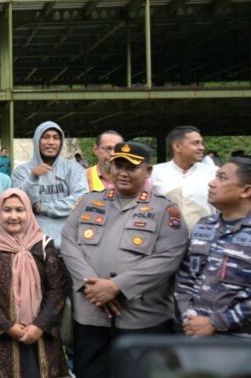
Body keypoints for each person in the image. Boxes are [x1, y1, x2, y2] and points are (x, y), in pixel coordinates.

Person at [61, 142, 189, 378]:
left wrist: (116, 287)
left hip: (142, 320)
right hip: (91, 315)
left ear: (148, 171)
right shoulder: (88, 202)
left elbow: (169, 257)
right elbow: (69, 242)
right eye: (118, 165)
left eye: (131, 167)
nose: (122, 172)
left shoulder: (165, 210)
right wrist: (92, 286)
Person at [0, 189, 68, 378]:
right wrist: (8, 327)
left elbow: (57, 289)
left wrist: (39, 326)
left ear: (29, 213)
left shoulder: (44, 245)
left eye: (19, 210)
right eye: (7, 210)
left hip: (40, 335)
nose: (13, 216)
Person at [175, 156, 251, 337]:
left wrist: (216, 323)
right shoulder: (205, 225)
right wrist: (188, 316)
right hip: (193, 332)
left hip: (239, 342)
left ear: (246, 190)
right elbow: (185, 275)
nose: (211, 183)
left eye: (222, 178)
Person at [12, 121, 88, 247]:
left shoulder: (73, 168)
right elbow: (21, 205)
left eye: (56, 138)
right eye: (46, 137)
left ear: (61, 142)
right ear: (37, 141)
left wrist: (44, 208)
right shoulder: (22, 171)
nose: (51, 142)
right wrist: (33, 177)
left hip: (70, 245)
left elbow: (81, 200)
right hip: (33, 246)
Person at [151, 126, 218, 231]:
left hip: (203, 240)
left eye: (201, 143)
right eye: (196, 143)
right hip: (165, 242)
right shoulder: (155, 173)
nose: (202, 148)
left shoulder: (213, 173)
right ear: (177, 147)